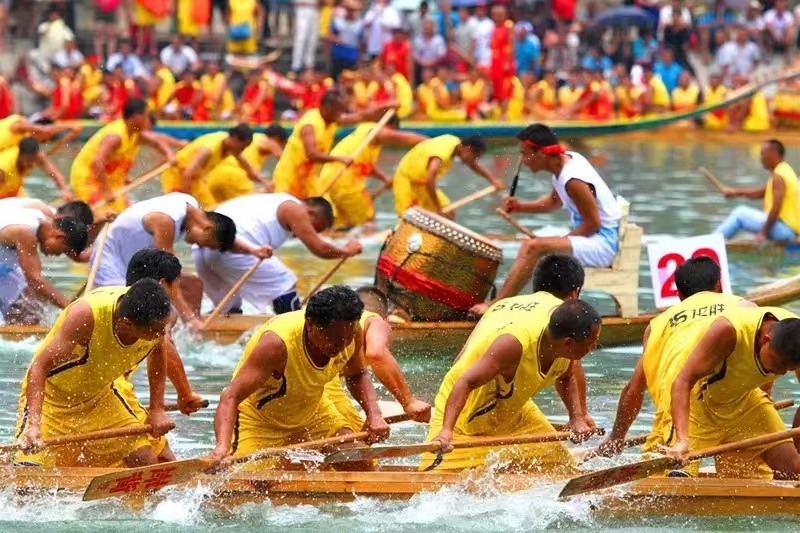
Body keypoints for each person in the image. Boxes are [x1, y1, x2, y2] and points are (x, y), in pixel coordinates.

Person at [421, 254, 600, 471]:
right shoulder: (514, 343)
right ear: (568, 342)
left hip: (513, 408)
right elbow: (464, 379)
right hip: (464, 409)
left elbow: (567, 376)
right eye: (590, 343)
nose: (593, 348)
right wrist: (446, 431)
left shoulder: (566, 320)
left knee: (562, 470)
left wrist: (577, 417)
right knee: (434, 489)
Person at [597, 257, 759, 474]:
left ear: (679, 295)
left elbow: (634, 389)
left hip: (683, 409)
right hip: (740, 404)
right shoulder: (745, 307)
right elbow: (761, 365)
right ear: (719, 285)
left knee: (663, 486)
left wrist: (617, 437)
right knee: (766, 477)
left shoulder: (657, 326)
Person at [208, 286, 391, 467]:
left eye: (347, 337)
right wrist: (222, 447)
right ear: (310, 325)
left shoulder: (352, 330)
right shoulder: (276, 345)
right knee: (249, 484)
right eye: (332, 338)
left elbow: (357, 374)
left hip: (313, 412)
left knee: (359, 462)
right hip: (261, 420)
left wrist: (374, 415)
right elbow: (231, 396)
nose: (340, 346)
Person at [14, 279, 175, 467]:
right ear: (126, 324)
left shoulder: (155, 320)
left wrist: (157, 409)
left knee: (145, 461)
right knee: (28, 479)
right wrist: (34, 424)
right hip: (52, 401)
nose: (162, 335)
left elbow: (157, 358)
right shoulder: (85, 315)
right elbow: (39, 367)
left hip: (99, 399)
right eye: (156, 331)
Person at [470, 124, 621, 315]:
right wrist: (520, 206)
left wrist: (560, 243)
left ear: (541, 153)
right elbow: (553, 202)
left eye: (525, 154)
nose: (523, 161)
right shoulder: (564, 164)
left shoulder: (573, 179)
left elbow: (593, 224)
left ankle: (495, 306)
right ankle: (538, 309)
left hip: (604, 244)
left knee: (534, 247)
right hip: (591, 238)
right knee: (531, 244)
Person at [89, 193, 266, 329]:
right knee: (128, 311)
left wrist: (253, 250)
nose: (200, 246)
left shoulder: (193, 208)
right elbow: (168, 274)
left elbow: (221, 233)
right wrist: (188, 316)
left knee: (194, 285)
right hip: (109, 261)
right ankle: (185, 325)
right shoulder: (165, 223)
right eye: (205, 243)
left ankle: (187, 332)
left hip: (136, 265)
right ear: (206, 227)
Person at [663, 306, 800, 478]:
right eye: (778, 364)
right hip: (701, 405)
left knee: (793, 472)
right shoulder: (728, 331)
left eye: (788, 369)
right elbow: (683, 381)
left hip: (745, 402)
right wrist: (682, 439)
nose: (780, 372)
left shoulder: (796, 336)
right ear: (766, 339)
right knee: (677, 480)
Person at [193, 194, 361, 315]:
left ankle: (212, 337)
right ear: (310, 212)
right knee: (285, 283)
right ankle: (293, 334)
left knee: (228, 309)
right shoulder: (293, 208)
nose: (302, 234)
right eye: (314, 228)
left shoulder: (272, 201)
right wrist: (347, 251)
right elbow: (320, 249)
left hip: (200, 249)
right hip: (232, 249)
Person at [115, 249, 207, 463]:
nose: (179, 290)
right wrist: (185, 393)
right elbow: (164, 346)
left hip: (103, 385)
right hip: (110, 389)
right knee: (158, 460)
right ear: (164, 284)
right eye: (178, 284)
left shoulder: (120, 298)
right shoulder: (160, 312)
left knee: (164, 459)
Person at [323, 286, 431, 428]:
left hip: (307, 381)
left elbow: (355, 376)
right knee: (356, 441)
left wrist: (372, 413)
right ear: (386, 316)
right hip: (322, 386)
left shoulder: (336, 319)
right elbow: (376, 353)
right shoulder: (376, 321)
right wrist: (409, 402)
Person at [272, 90, 393, 199]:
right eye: (338, 111)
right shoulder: (309, 125)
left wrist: (387, 106)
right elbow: (312, 154)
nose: (340, 114)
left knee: (320, 213)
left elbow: (360, 116)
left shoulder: (333, 119)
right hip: (289, 178)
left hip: (309, 179)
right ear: (327, 108)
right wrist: (339, 159)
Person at [319, 115, 427, 229]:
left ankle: (335, 241)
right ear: (390, 127)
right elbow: (404, 137)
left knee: (343, 223)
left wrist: (384, 178)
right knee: (367, 221)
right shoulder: (375, 131)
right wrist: (433, 143)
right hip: (344, 180)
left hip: (331, 177)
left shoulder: (365, 135)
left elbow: (366, 166)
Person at [70, 98, 177, 213]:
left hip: (108, 181)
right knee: (105, 216)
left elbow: (156, 141)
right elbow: (97, 162)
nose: (149, 120)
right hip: (87, 179)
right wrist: (106, 192)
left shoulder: (135, 133)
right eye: (146, 116)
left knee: (124, 215)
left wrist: (169, 155)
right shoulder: (115, 136)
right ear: (136, 117)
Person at [0, 209, 87, 325]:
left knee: (31, 310)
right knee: (35, 287)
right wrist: (71, 307)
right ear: (59, 237)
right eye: (62, 250)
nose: (56, 255)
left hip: (5, 270)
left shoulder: (39, 213)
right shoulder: (25, 232)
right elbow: (35, 280)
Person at [160, 123, 270, 209]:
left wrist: (266, 183)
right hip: (177, 176)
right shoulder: (208, 150)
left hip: (196, 179)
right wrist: (187, 202)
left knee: (212, 212)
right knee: (180, 211)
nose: (243, 150)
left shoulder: (231, 147)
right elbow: (187, 173)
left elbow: (248, 169)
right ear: (234, 139)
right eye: (242, 147)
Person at [391, 134, 503, 218]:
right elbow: (430, 181)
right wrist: (438, 207)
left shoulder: (456, 143)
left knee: (449, 213)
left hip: (423, 184)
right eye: (475, 157)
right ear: (468, 149)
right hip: (407, 183)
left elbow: (473, 165)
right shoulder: (442, 153)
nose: (474, 160)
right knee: (408, 219)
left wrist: (493, 180)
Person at [715, 139, 799, 245]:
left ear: (773, 153)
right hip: (789, 230)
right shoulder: (786, 170)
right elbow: (762, 192)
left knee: (740, 214)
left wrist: (762, 233)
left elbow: (776, 209)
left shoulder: (779, 176)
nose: (761, 158)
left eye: (763, 153)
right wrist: (735, 192)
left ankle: (710, 244)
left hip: (785, 232)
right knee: (742, 213)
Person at [206, 124, 288, 206]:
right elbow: (280, 154)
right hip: (235, 176)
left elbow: (250, 170)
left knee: (217, 210)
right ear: (277, 138)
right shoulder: (265, 140)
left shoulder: (252, 139)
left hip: (215, 175)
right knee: (250, 203)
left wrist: (264, 182)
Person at [0, 137, 71, 200]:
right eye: (27, 160)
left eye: (33, 159)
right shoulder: (3, 168)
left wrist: (65, 190)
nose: (30, 163)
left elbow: (54, 174)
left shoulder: (38, 157)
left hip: (15, 192)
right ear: (20, 154)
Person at [0, 113, 78, 152]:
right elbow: (45, 130)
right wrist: (69, 126)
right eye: (46, 139)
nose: (44, 141)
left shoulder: (25, 140)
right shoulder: (19, 123)